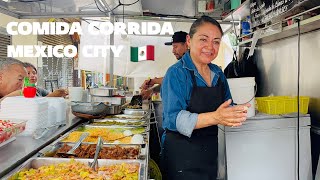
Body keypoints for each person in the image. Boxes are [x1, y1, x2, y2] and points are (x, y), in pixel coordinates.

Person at [160, 16, 250, 180]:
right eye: (203, 39)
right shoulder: (176, 73)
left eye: (216, 41)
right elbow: (172, 118)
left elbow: (226, 106)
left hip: (209, 153)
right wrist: (215, 117)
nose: (210, 47)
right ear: (189, 40)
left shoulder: (218, 73)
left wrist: (239, 110)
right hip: (180, 157)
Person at [140, 31, 189, 99]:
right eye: (173, 47)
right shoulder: (182, 63)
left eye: (175, 46)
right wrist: (151, 90)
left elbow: (173, 79)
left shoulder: (192, 63)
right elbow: (171, 83)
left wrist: (154, 81)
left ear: (187, 45)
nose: (173, 51)